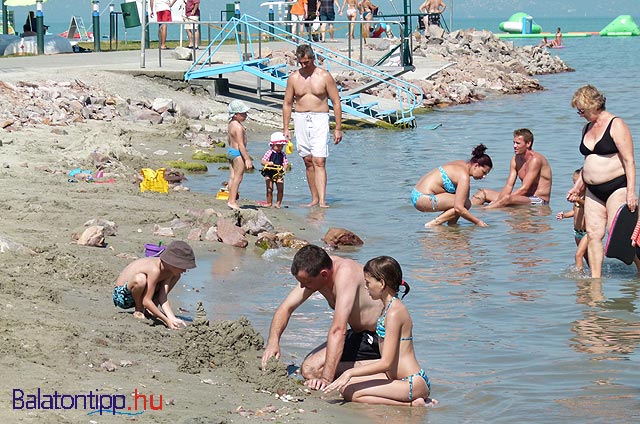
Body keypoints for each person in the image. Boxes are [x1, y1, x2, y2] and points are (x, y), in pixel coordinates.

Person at [261, 245, 383, 390]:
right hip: (358, 335)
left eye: (306, 283)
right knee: (309, 368)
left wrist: (326, 379)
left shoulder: (345, 274)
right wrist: (273, 342)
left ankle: (386, 369)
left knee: (312, 371)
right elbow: (285, 308)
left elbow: (339, 330)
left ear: (324, 274)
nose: (301, 286)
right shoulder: (315, 272)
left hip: (379, 339)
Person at [323, 256, 435, 407]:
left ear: (381, 283)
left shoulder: (395, 312)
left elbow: (386, 362)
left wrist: (349, 372)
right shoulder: (387, 308)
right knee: (344, 386)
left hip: (410, 382)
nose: (365, 287)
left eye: (368, 283)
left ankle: (411, 404)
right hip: (394, 378)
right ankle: (414, 401)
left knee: (350, 391)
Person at [567, 85, 639, 278]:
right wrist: (578, 186)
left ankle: (639, 266)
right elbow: (587, 163)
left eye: (582, 110)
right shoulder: (586, 128)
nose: (580, 114)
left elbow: (629, 161)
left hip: (616, 186)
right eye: (578, 111)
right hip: (593, 190)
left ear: (593, 104)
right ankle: (595, 283)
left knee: (619, 236)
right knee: (593, 235)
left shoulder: (616, 124)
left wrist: (631, 192)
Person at [282, 44, 343, 208]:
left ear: (313, 59)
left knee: (319, 160)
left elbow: (336, 102)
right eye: (301, 63)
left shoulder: (324, 76)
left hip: (320, 118)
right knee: (308, 160)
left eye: (306, 62)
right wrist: (286, 128)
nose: (303, 66)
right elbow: (287, 103)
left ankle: (322, 200)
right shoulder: (294, 78)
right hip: (301, 117)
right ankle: (314, 198)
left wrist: (338, 127)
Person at [112, 240, 196, 330]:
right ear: (173, 263)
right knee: (140, 279)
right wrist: (166, 320)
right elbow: (146, 300)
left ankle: (151, 309)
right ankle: (139, 309)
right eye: (183, 266)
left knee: (176, 275)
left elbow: (163, 297)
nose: (185, 270)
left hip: (140, 295)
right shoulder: (155, 269)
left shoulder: (169, 271)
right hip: (122, 296)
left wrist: (172, 318)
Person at [412, 144, 493, 227]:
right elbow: (459, 208)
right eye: (484, 172)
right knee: (465, 204)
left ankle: (451, 226)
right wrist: (478, 222)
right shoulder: (464, 176)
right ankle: (433, 224)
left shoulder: (461, 164)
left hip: (416, 194)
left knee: (463, 201)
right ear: (476, 165)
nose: (484, 177)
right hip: (423, 198)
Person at [472, 128, 552, 208]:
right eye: (514, 143)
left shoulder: (535, 160)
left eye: (518, 143)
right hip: (523, 198)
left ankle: (485, 212)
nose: (514, 146)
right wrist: (501, 199)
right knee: (482, 193)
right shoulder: (515, 159)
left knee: (506, 199)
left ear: (528, 144)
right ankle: (468, 214)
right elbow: (509, 185)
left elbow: (525, 188)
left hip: (539, 200)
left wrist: (500, 201)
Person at [556, 168, 589, 270]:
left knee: (578, 255)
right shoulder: (576, 195)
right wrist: (564, 215)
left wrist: (579, 200)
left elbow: (588, 207)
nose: (576, 186)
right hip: (577, 233)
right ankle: (592, 274)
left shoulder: (588, 195)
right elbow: (575, 212)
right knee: (587, 258)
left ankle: (579, 277)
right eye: (574, 183)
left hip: (587, 232)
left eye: (578, 183)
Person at [226, 100, 253, 210]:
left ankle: (230, 198)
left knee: (232, 177)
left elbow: (229, 139)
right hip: (238, 154)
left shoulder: (231, 124)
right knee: (238, 178)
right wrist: (247, 159)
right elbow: (241, 145)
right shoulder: (238, 127)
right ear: (236, 115)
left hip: (231, 152)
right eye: (243, 113)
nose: (246, 115)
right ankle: (232, 201)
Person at [260, 131, 289, 208]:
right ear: (272, 145)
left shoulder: (282, 154)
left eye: (282, 146)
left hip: (279, 173)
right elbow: (262, 161)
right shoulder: (269, 152)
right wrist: (268, 163)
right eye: (278, 146)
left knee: (280, 189)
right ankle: (269, 203)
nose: (280, 148)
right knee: (270, 189)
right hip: (269, 172)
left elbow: (286, 163)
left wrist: (284, 169)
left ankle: (278, 204)